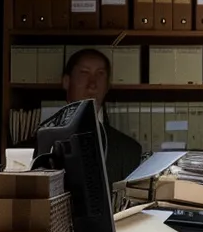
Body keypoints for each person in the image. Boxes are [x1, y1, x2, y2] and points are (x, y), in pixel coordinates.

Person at [51, 48, 143, 182]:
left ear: (107, 85)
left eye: (100, 74)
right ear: (66, 81)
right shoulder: (34, 146)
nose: (92, 85)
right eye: (84, 73)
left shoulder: (130, 150)